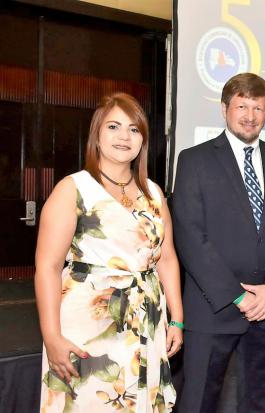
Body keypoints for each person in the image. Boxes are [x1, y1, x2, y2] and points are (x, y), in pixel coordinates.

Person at [35, 92, 183, 412]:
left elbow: (167, 257)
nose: (124, 136)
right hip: (87, 327)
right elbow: (47, 267)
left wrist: (177, 319)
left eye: (134, 129)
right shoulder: (73, 189)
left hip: (146, 322)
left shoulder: (154, 192)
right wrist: (51, 336)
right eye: (114, 127)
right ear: (97, 136)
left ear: (142, 140)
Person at [173, 73, 265, 413]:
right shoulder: (194, 160)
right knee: (198, 403)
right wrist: (237, 295)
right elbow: (190, 235)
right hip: (212, 308)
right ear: (225, 109)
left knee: (258, 404)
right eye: (242, 106)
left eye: (258, 108)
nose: (250, 116)